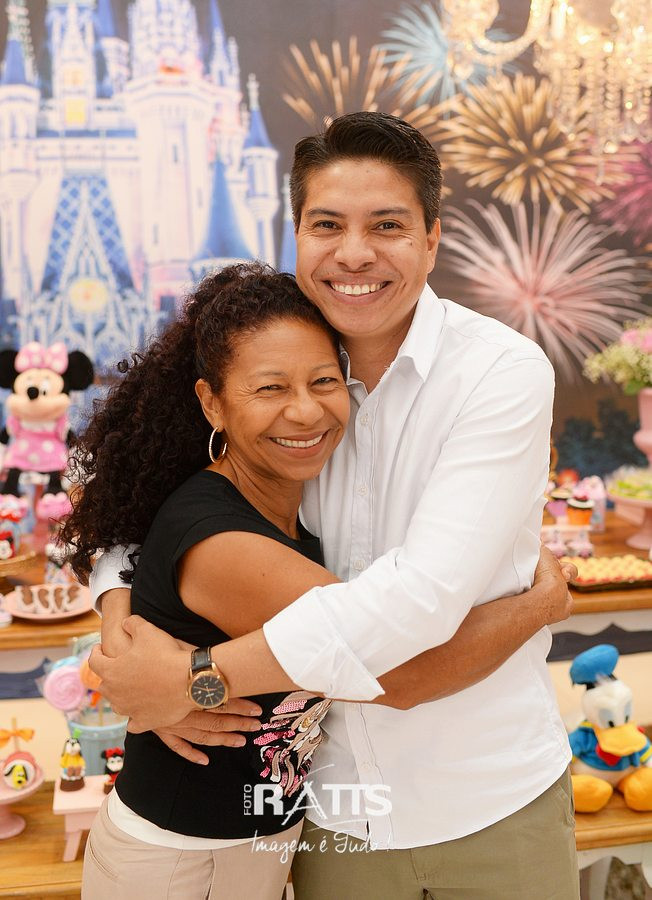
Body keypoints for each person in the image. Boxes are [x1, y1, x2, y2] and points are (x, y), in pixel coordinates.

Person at [90, 112, 579, 899]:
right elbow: (126, 493)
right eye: (327, 225)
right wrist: (120, 617)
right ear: (297, 235)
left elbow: (415, 617)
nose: (354, 253)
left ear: (431, 238)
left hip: (489, 798)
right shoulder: (279, 354)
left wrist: (193, 679)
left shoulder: (498, 373)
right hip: (330, 810)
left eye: (387, 225)